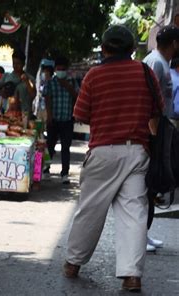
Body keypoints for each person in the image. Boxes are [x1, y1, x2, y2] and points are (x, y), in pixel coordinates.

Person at [64, 25, 163, 292]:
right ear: (132, 50)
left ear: (105, 49)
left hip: (103, 151)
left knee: (91, 209)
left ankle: (73, 263)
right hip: (137, 151)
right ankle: (132, 276)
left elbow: (81, 114)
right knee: (134, 214)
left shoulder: (94, 76)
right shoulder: (146, 73)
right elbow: (157, 111)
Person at [143, 25, 179, 252]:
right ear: (174, 43)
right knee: (151, 182)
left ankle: (143, 234)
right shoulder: (156, 62)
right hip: (155, 128)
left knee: (154, 183)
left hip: (160, 126)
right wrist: (154, 134)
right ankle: (140, 235)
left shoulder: (159, 60)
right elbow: (150, 100)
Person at [43, 56, 78, 184]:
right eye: (59, 69)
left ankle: (65, 173)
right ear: (55, 69)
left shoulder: (72, 82)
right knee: (50, 147)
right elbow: (47, 99)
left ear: (66, 70)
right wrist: (49, 116)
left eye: (63, 69)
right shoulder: (50, 82)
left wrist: (67, 86)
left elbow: (77, 96)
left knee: (65, 148)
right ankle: (46, 170)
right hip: (54, 119)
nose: (61, 71)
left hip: (67, 119)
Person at [0, 51, 36, 115]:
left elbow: (33, 95)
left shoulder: (30, 78)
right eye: (14, 63)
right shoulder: (6, 76)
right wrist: (4, 92)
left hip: (24, 114)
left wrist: (27, 82)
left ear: (23, 64)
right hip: (7, 114)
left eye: (18, 63)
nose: (15, 66)